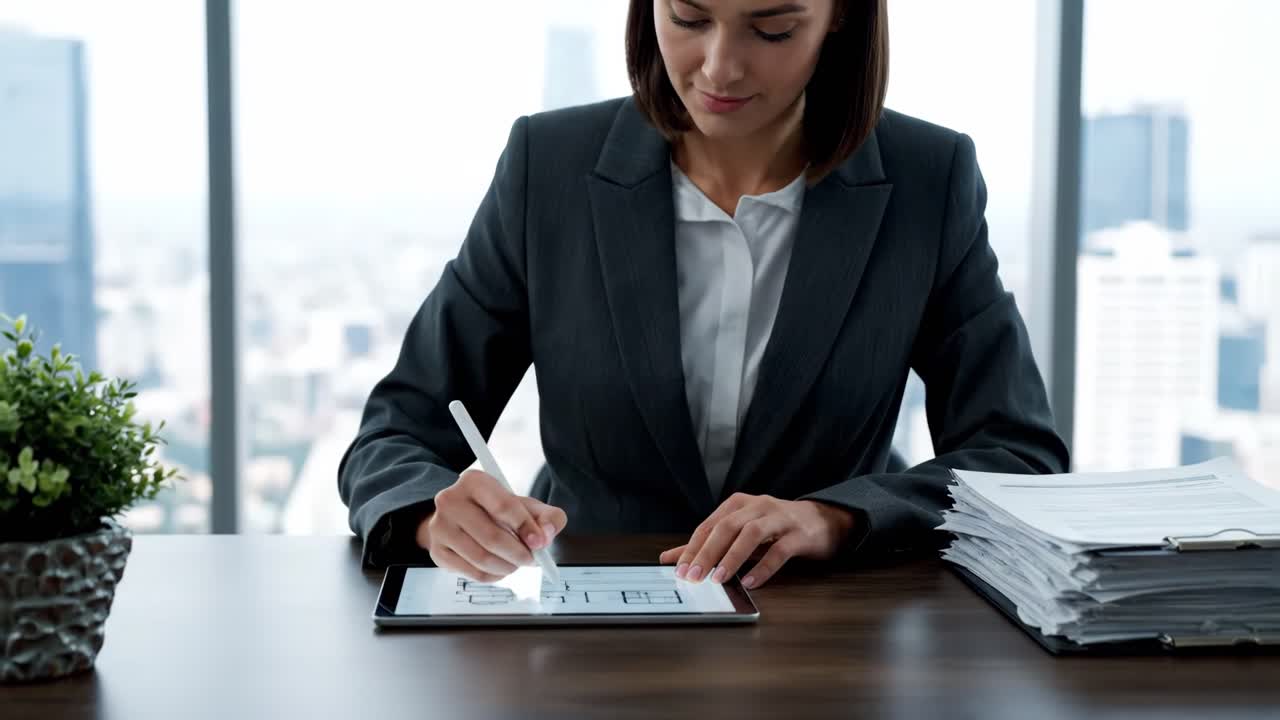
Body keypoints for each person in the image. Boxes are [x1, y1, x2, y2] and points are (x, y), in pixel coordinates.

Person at [338, 0, 1069, 589]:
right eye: (688, 18)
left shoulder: (926, 179)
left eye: (773, 27)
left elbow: (1017, 455)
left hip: (828, 633)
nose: (719, 65)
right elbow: (395, 433)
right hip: (589, 616)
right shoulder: (549, 168)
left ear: (840, 15)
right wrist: (434, 519)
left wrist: (837, 519)